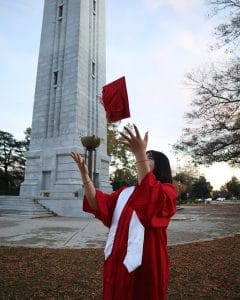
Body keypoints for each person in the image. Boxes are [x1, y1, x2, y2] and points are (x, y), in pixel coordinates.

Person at [70, 124, 177, 300]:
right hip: (118, 261)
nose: (144, 157)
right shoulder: (125, 192)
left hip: (146, 262)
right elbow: (97, 202)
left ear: (160, 166)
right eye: (145, 155)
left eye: (149, 157)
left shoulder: (167, 191)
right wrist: (85, 177)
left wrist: (139, 154)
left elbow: (150, 200)